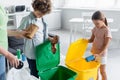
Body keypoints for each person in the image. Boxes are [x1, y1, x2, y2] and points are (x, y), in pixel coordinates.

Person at [18, 0, 53, 78]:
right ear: (34, 8)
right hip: (32, 53)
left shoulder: (43, 20)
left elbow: (45, 35)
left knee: (43, 70)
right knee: (34, 73)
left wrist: (50, 39)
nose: (40, 16)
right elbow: (18, 34)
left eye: (43, 14)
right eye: (39, 13)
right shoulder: (26, 19)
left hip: (41, 52)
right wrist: (26, 33)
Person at [88, 11, 112, 80]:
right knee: (95, 70)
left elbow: (105, 45)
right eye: (94, 23)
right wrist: (84, 41)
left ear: (103, 20)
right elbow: (91, 39)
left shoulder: (107, 30)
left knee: (102, 71)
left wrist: (99, 54)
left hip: (101, 55)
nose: (96, 25)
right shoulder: (95, 28)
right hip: (94, 53)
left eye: (97, 23)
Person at [0, 4, 19, 80]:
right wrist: (8, 54)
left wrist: (18, 33)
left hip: (2, 53)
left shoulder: (1, 6)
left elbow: (2, 29)